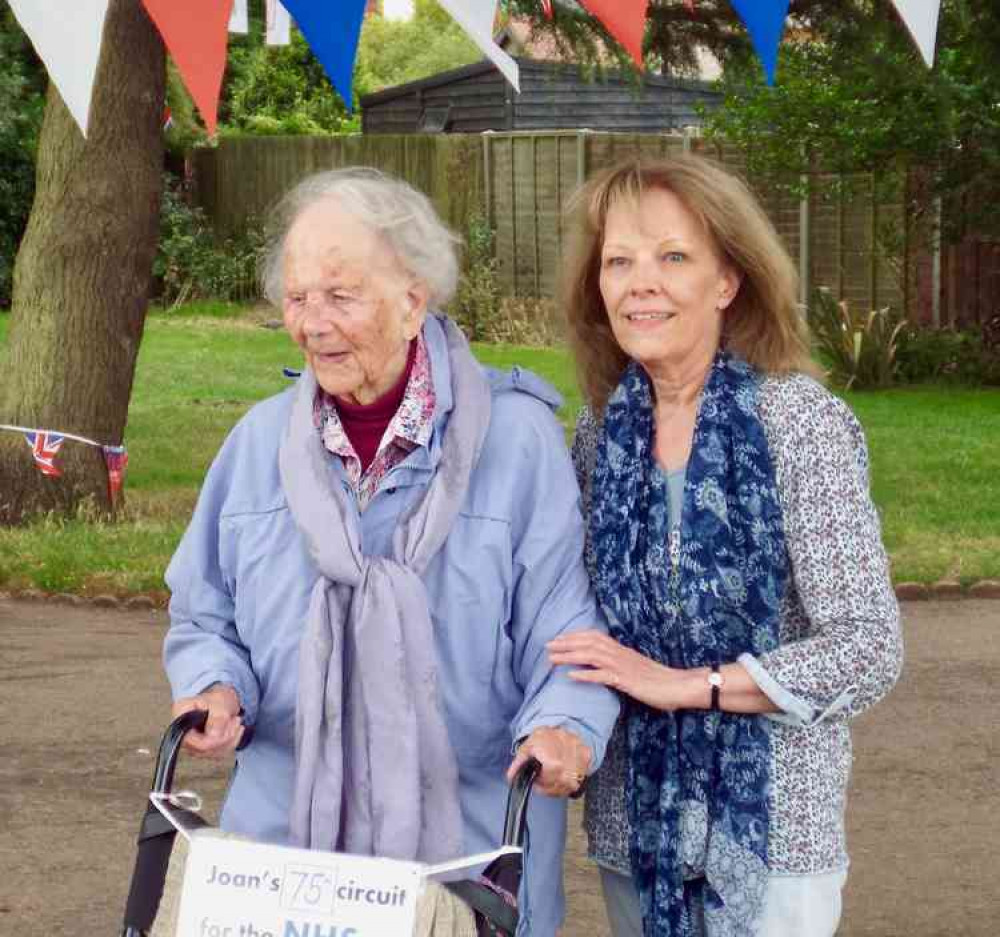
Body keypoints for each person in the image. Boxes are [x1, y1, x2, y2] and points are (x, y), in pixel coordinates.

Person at [162, 167, 619, 937]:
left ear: (414, 299)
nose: (313, 322)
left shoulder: (515, 442)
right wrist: (213, 684)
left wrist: (565, 726)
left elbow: (566, 632)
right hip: (284, 854)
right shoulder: (256, 445)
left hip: (466, 850)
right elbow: (206, 611)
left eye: (340, 296)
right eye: (298, 297)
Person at [546, 155, 903, 937]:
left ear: (727, 281)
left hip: (775, 829)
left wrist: (686, 684)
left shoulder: (797, 424)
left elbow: (869, 648)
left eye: (673, 257)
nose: (641, 282)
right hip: (635, 826)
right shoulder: (601, 431)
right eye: (618, 261)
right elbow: (572, 614)